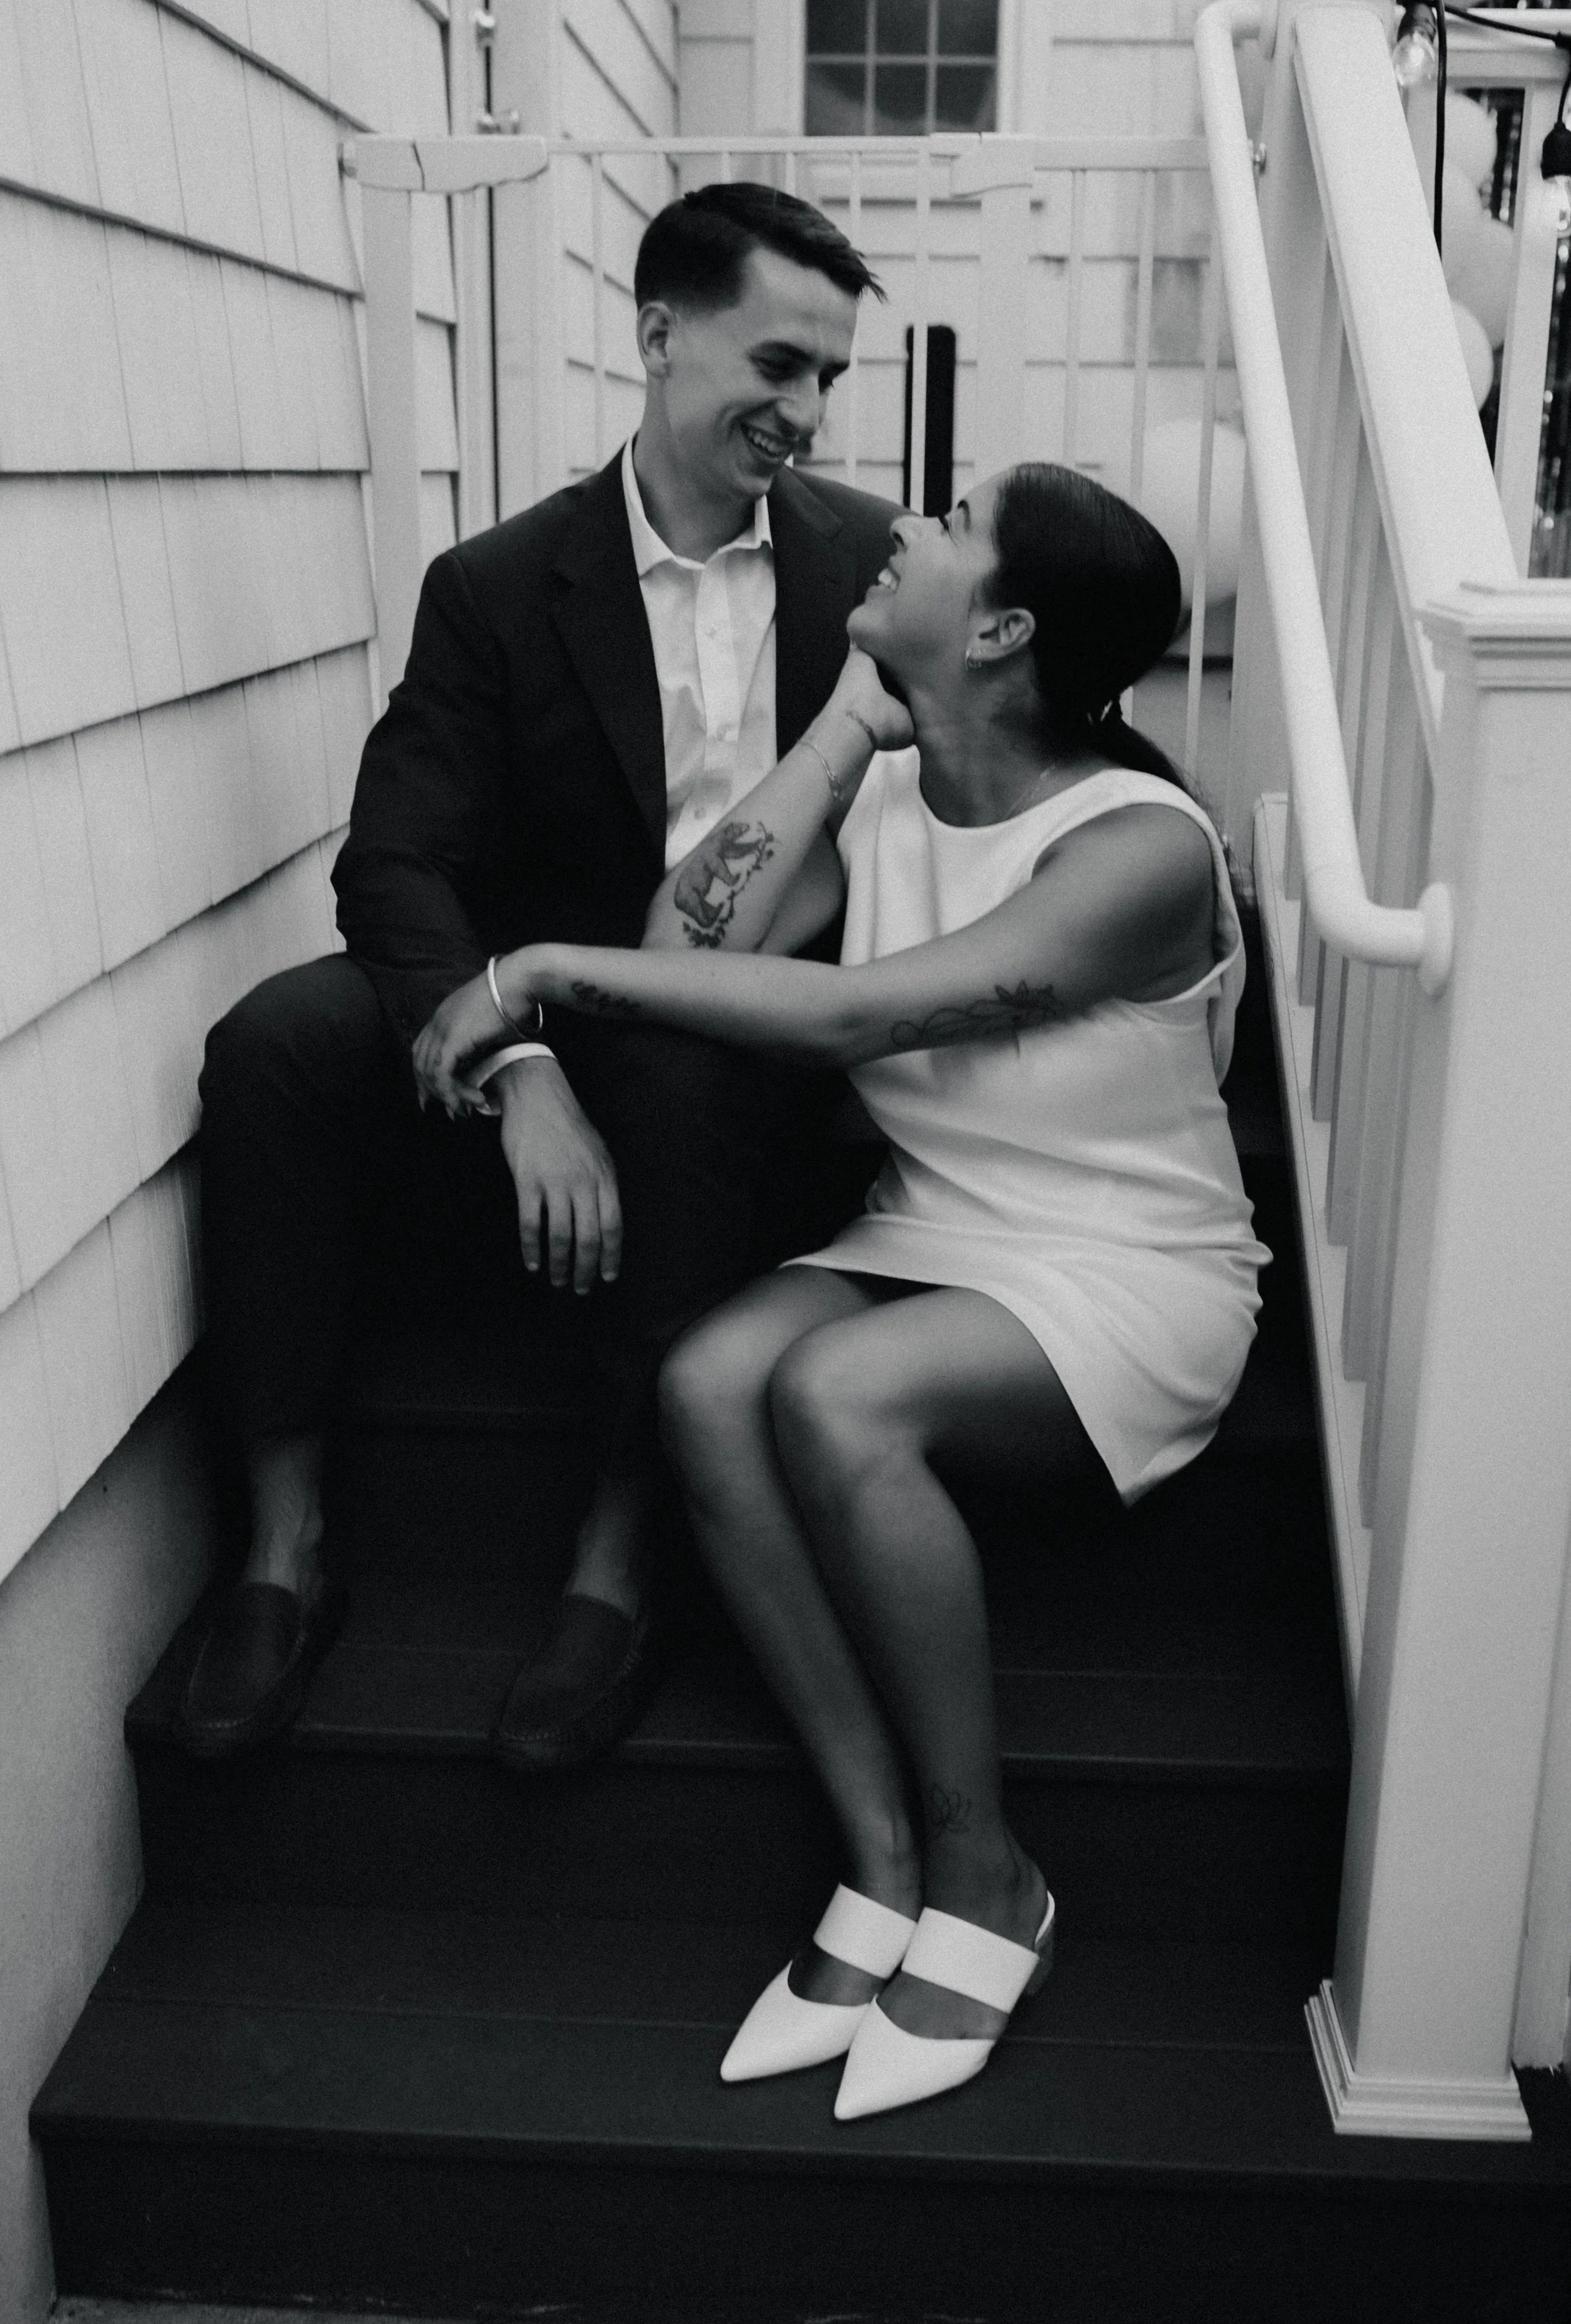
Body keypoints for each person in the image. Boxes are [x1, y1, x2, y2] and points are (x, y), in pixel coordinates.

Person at [413, 461, 1271, 2121]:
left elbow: (860, 1016)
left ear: (1005, 625)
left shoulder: (1141, 846)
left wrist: (537, 965)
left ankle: (987, 1867)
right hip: (929, 1233)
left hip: (1125, 1269)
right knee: (706, 1382)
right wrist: (831, 742)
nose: (902, 528)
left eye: (950, 528)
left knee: (831, 1391)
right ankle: (876, 1858)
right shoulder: (881, 797)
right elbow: (698, 940)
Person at [179, 183, 899, 1765]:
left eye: (829, 378)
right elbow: (393, 860)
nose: (805, 410)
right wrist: (521, 1070)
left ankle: (617, 1558)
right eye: (777, 363)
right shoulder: (500, 586)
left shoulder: (872, 569)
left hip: (751, 1028)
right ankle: (282, 1541)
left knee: (696, 1066)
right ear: (656, 333)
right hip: (538, 1004)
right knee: (274, 1042)